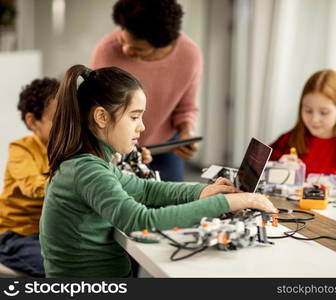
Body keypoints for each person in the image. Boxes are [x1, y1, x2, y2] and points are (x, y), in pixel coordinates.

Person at [39, 64, 276, 278]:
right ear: (101, 117)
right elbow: (140, 221)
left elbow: (144, 189)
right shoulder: (87, 170)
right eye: (134, 117)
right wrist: (231, 202)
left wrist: (202, 193)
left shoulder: (91, 163)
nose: (142, 127)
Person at [91, 0, 201, 182]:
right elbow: (97, 107)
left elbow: (185, 108)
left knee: (175, 204)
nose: (125, 49)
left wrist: (185, 133)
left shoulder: (189, 56)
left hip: (164, 147)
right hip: (117, 146)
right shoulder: (107, 51)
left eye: (137, 49)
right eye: (122, 39)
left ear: (161, 46)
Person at [0, 78, 59, 277]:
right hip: (17, 234)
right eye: (56, 120)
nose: (67, 127)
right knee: (59, 270)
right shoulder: (21, 149)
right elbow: (33, 186)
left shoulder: (70, 149)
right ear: (32, 121)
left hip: (52, 234)